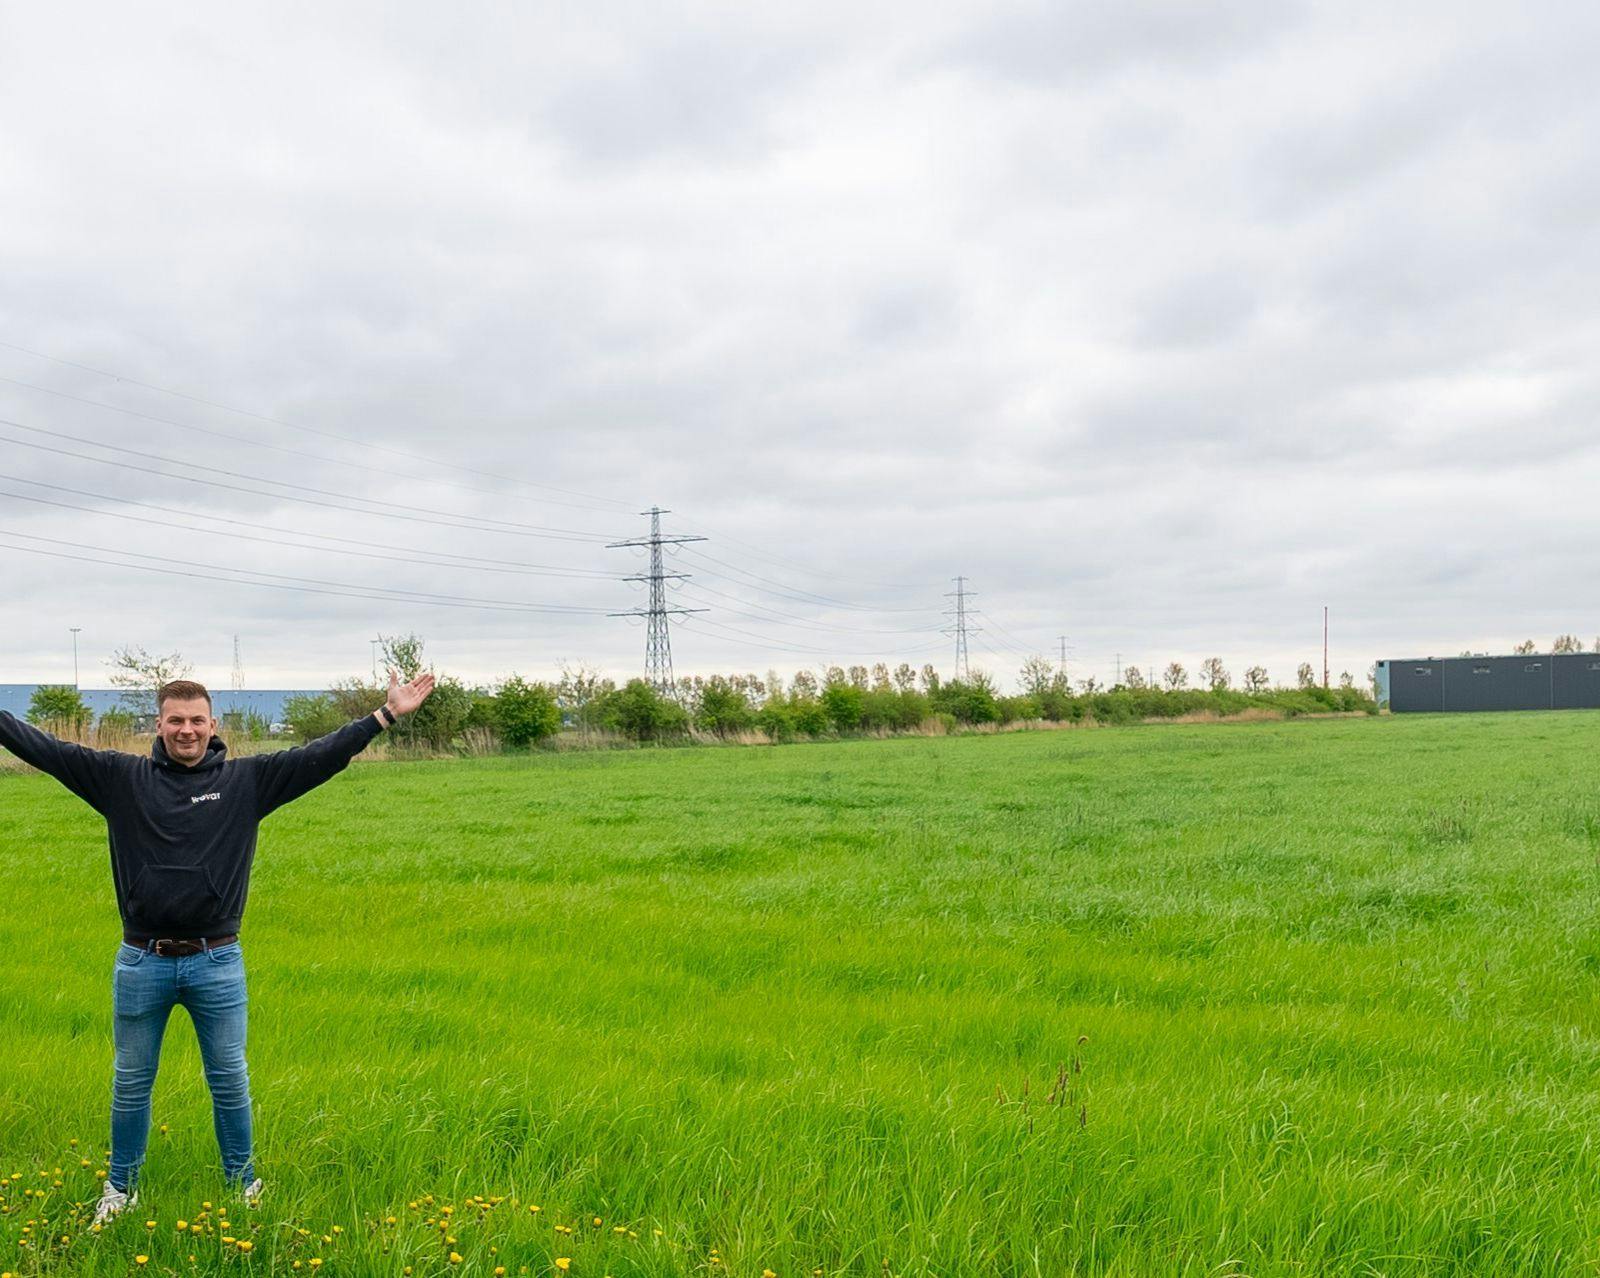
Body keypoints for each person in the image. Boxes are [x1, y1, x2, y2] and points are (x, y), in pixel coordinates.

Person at [0, 670, 434, 1224]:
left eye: (196, 720)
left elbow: (321, 756)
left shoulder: (246, 782)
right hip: (141, 960)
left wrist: (386, 714)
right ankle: (120, 1189)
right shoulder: (118, 778)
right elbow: (43, 747)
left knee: (229, 1079)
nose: (186, 731)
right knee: (131, 1082)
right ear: (157, 725)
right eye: (175, 721)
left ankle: (242, 1183)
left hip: (217, 961)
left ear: (213, 725)